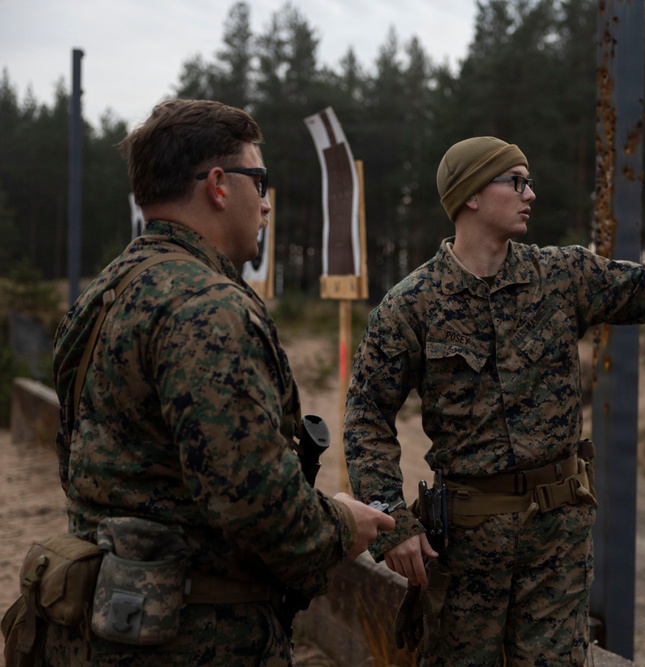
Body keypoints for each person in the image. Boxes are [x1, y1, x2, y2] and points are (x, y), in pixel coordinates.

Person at [344, 136, 645, 665]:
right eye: (517, 181)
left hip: (557, 543)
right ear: (471, 195)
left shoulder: (562, 276)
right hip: (466, 550)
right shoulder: (413, 304)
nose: (532, 194)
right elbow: (366, 415)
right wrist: (392, 523)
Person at [46, 99, 393, 666]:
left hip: (111, 620)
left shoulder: (105, 292)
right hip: (196, 638)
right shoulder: (206, 307)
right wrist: (338, 524)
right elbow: (251, 497)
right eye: (259, 181)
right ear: (217, 185)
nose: (267, 203)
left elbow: (80, 460)